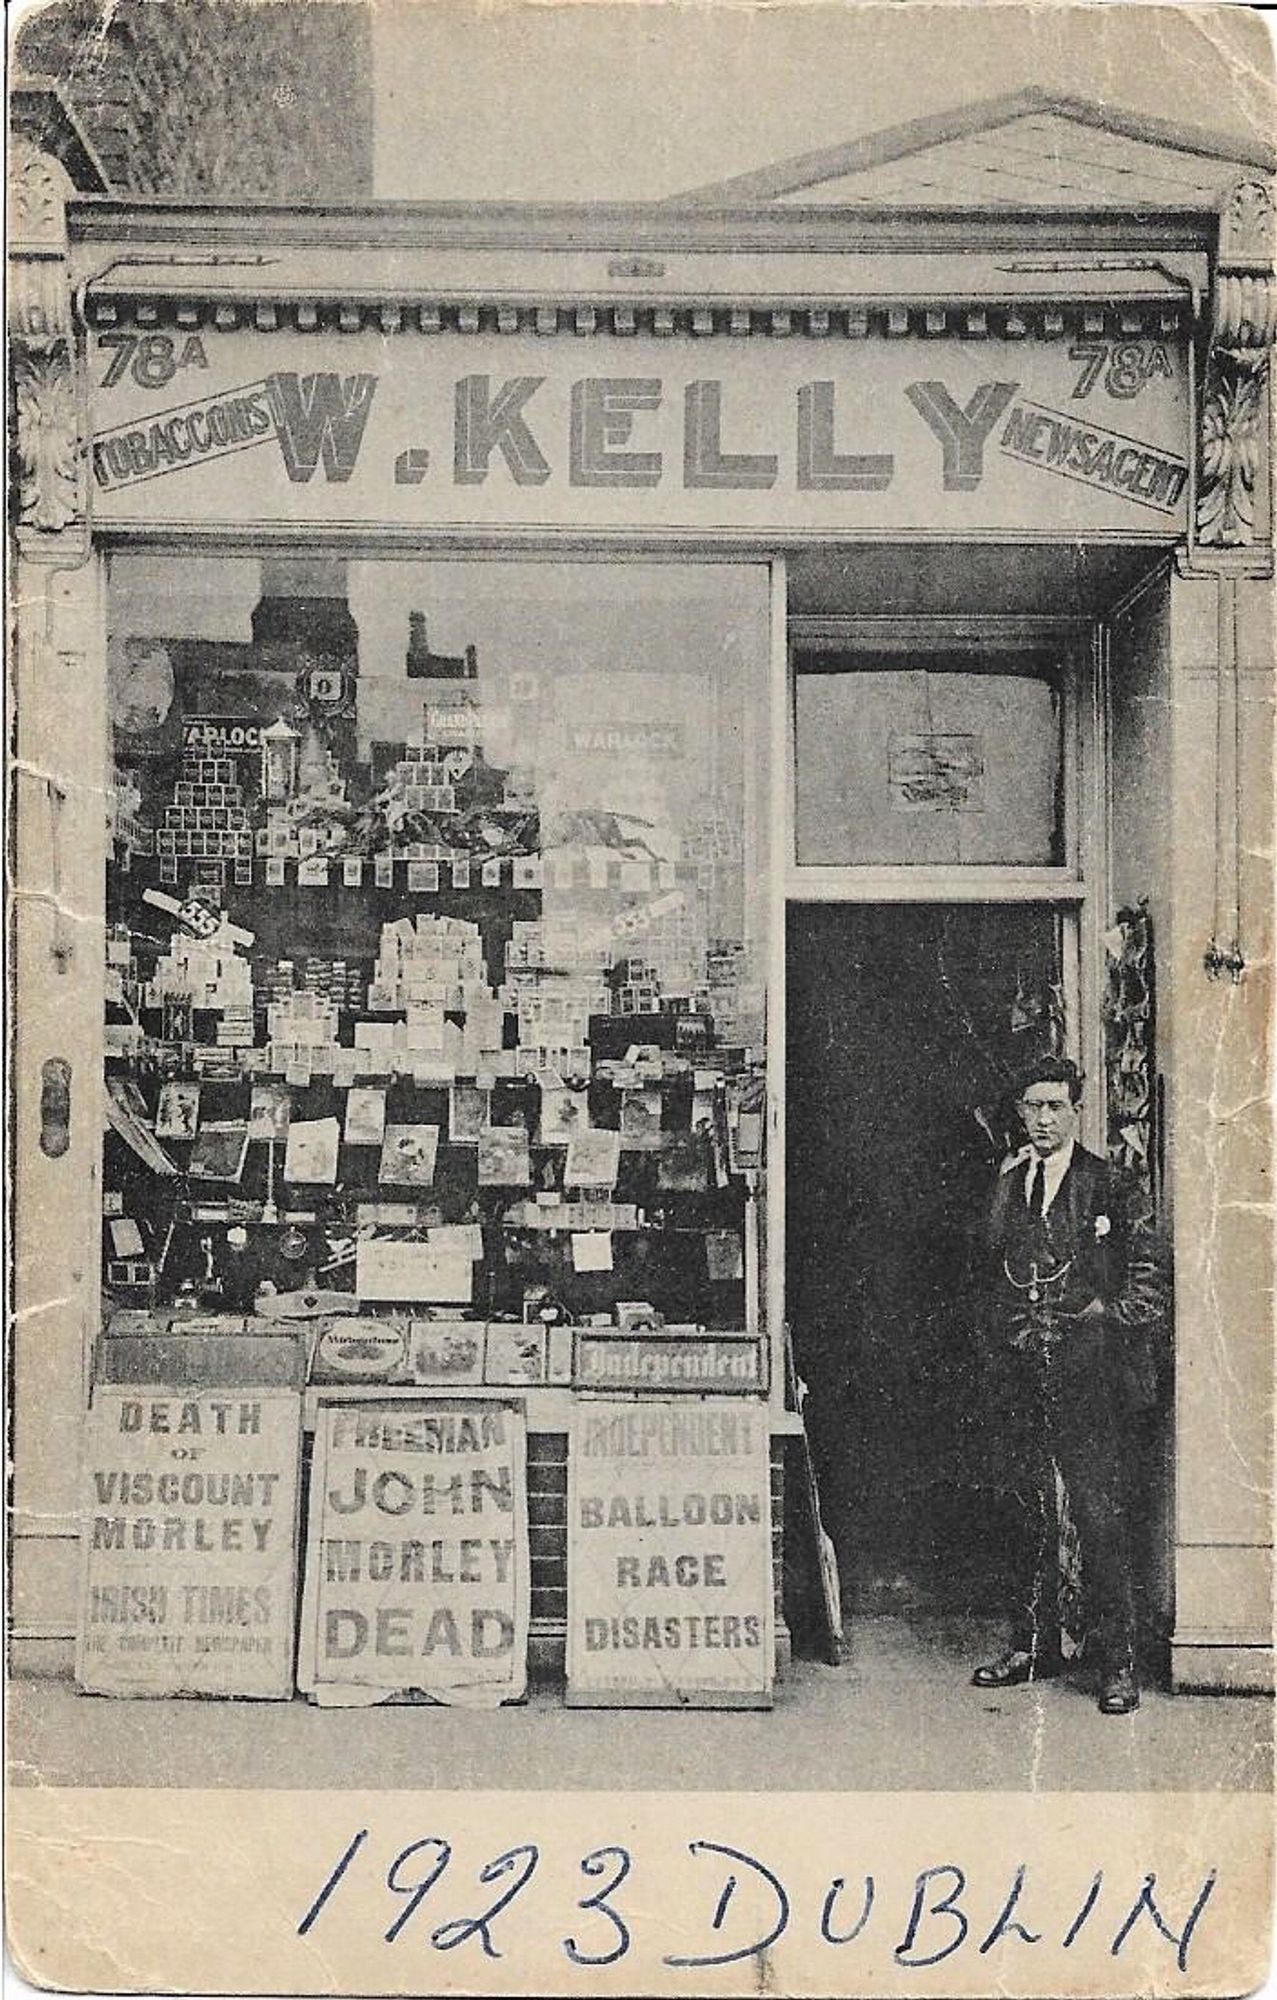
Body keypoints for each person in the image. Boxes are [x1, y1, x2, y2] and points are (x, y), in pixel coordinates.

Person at [969, 1056, 1167, 1716]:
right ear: (1019, 1113)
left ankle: (1117, 1665)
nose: (1043, 1119)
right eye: (1032, 1108)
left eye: (1055, 1106)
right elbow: (988, 1269)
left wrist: (1102, 1320)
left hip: (1089, 1380)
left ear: (1075, 1111)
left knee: (1098, 1518)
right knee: (1022, 1512)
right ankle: (1031, 1645)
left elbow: (1147, 1280)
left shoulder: (1109, 1183)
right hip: (1021, 1375)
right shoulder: (1005, 1182)